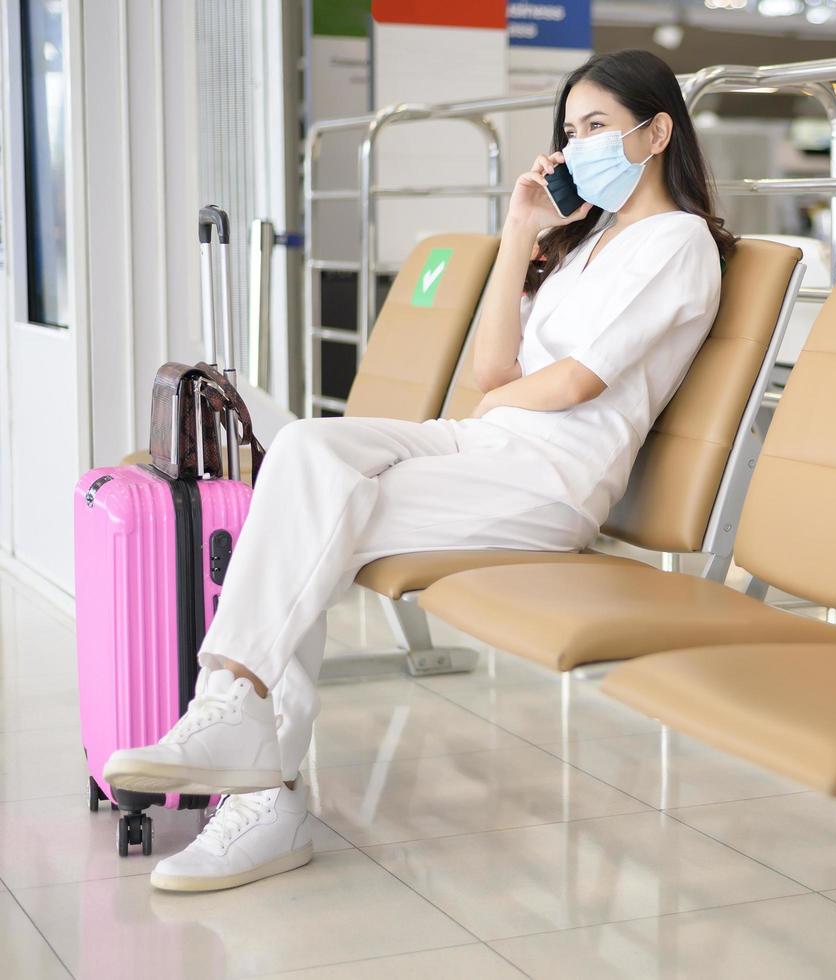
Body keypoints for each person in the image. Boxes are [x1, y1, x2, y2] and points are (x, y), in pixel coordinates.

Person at [102, 48, 733, 892]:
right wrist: (521, 234)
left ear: (656, 133)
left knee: (311, 511)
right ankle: (235, 716)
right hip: (488, 447)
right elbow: (490, 371)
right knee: (304, 455)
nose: (576, 145)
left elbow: (580, 380)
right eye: (568, 131)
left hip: (548, 480)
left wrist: (490, 414)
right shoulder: (584, 249)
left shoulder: (678, 242)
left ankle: (257, 783)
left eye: (596, 128)